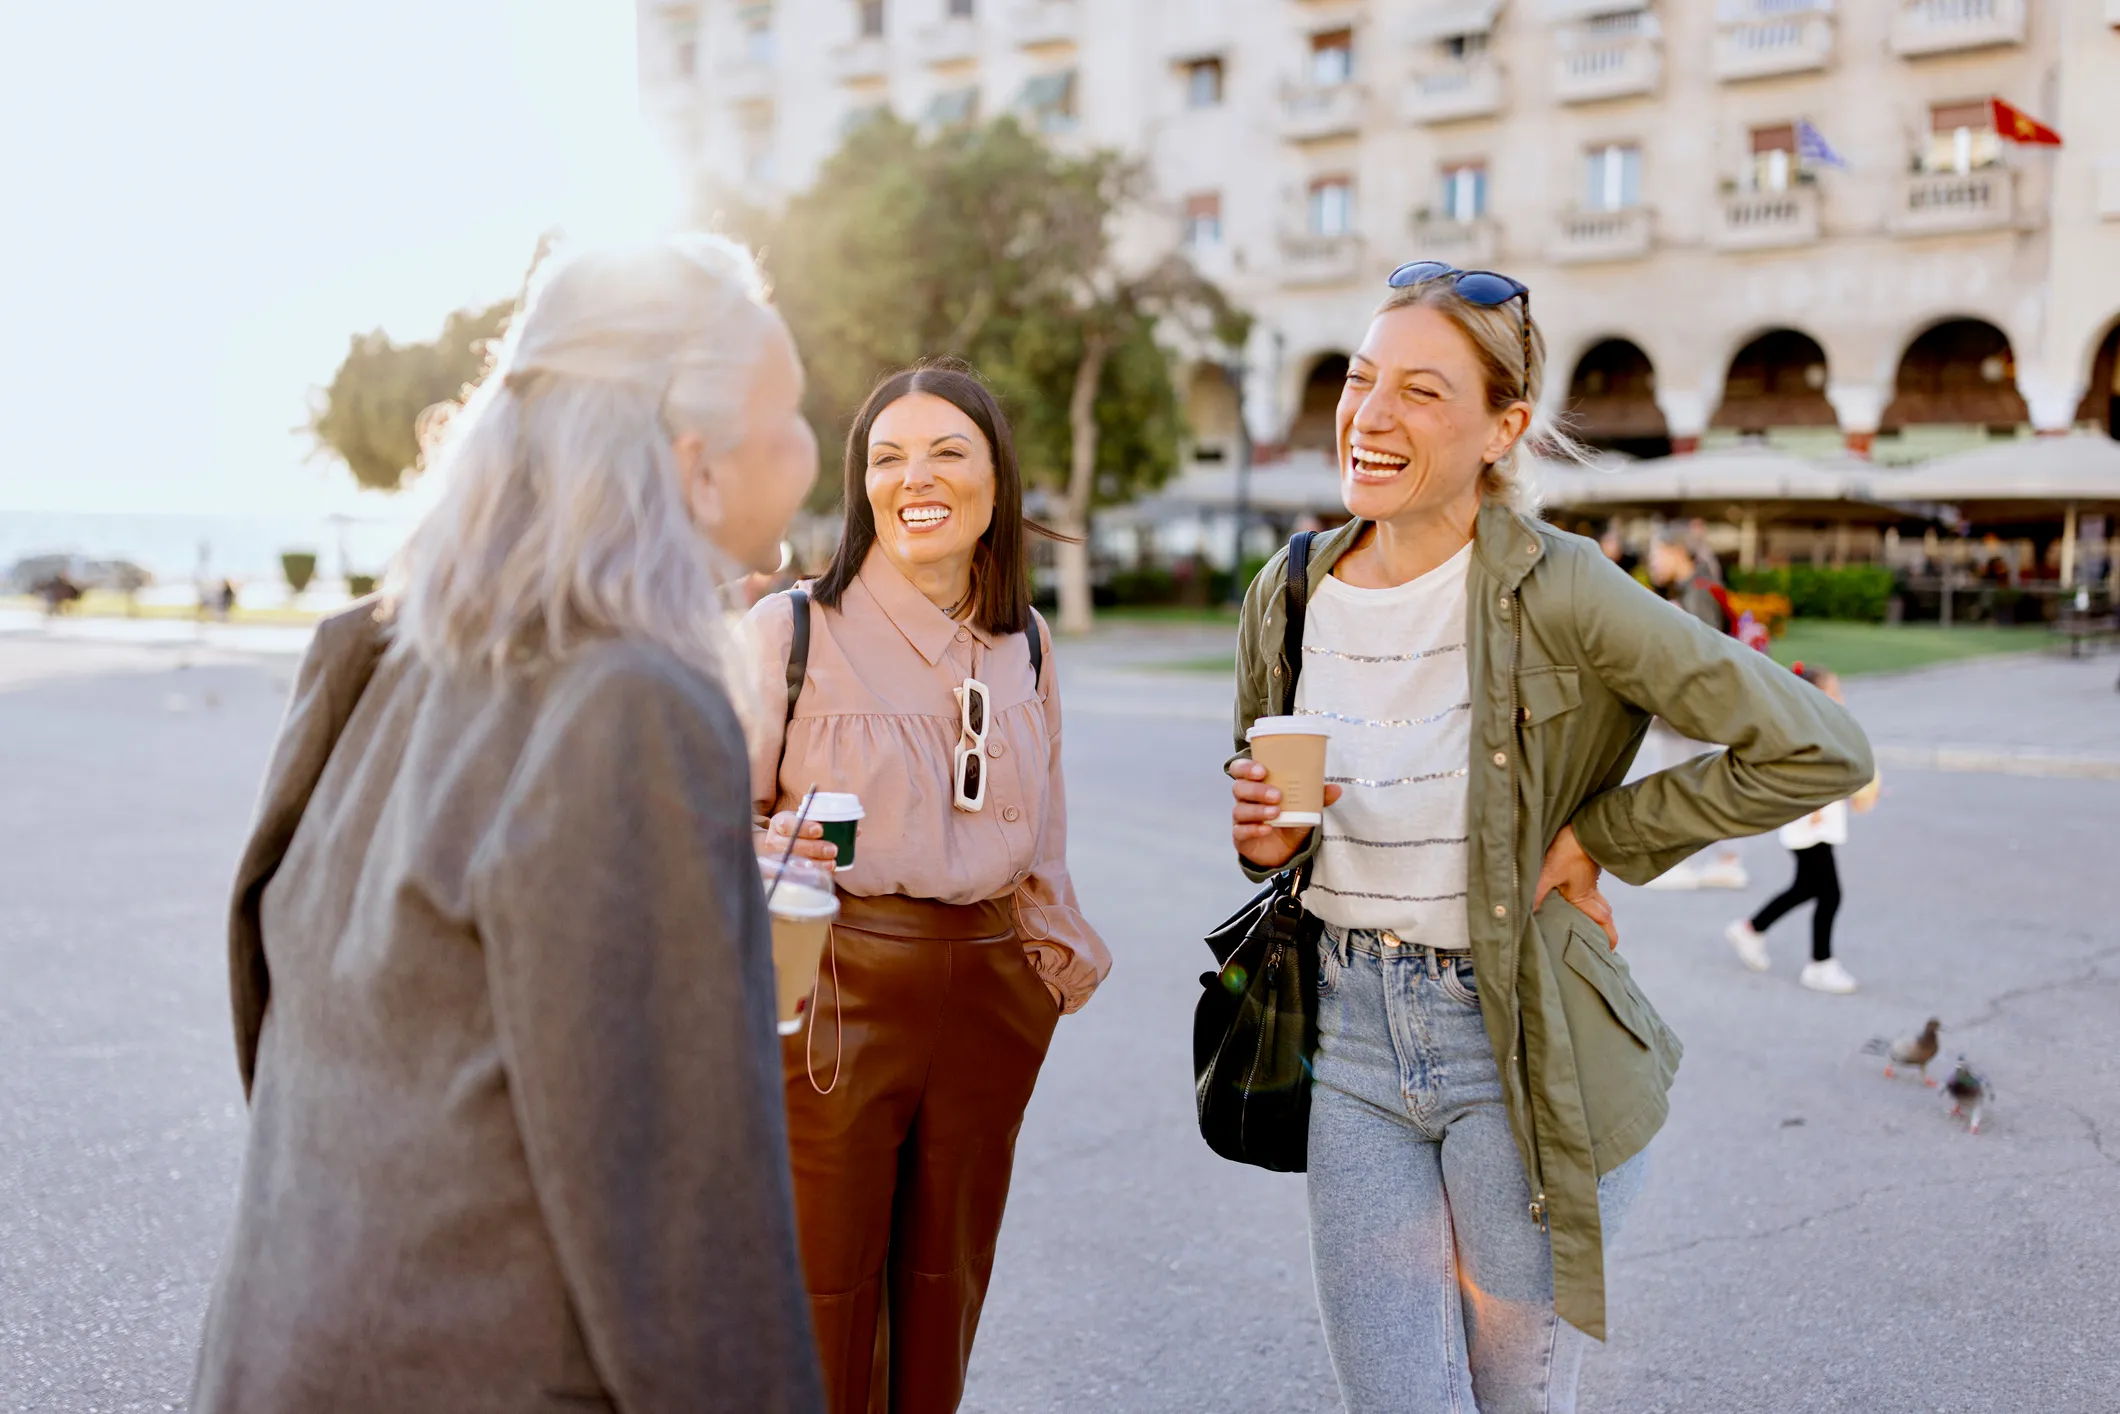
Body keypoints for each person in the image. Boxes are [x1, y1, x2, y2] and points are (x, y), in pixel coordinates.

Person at [192, 236, 827, 1414]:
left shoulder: (370, 656)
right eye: (789, 412)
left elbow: (286, 1036)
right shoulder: (633, 706)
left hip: (282, 1355)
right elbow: (684, 1229)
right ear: (694, 466)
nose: (807, 445)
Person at [1225, 261, 1873, 1414]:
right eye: (1361, 378)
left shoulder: (1563, 588)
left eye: (1420, 392)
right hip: (1349, 1038)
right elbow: (1271, 814)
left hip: (1516, 1042)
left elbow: (1818, 745)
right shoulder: (1286, 593)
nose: (1368, 415)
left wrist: (1599, 836)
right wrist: (1266, 841)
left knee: (1512, 1398)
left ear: (1500, 427)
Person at [744, 362, 1108, 1414]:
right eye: (887, 457)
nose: (915, 477)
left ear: (996, 479)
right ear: (863, 486)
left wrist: (1041, 977)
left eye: (948, 450)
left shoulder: (1025, 642)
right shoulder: (792, 631)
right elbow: (690, 822)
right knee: (823, 1294)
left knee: (943, 1294)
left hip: (988, 991)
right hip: (833, 988)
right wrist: (763, 853)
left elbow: (1042, 835)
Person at [1725, 663, 1878, 994]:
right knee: (1829, 893)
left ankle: (1750, 929)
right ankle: (1820, 964)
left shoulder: (1823, 726)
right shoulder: (1807, 731)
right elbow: (1805, 774)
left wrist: (1856, 795)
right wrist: (1819, 807)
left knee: (1806, 887)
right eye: (1833, 691)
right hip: (1810, 821)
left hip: (1817, 819)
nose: (1840, 697)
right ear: (1813, 697)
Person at [1640, 524, 1750, 890]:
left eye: (1656, 554)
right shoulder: (1698, 590)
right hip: (1703, 708)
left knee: (1677, 783)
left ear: (1676, 552)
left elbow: (1696, 657)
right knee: (1701, 783)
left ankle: (1684, 863)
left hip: (1691, 710)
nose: (1651, 562)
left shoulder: (1696, 595)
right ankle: (1726, 861)